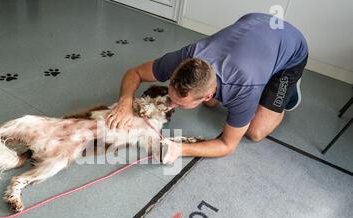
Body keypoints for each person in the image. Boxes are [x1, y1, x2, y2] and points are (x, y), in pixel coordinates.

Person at [105, 13, 308, 164]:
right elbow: (135, 73)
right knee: (211, 105)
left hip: (290, 50)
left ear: (208, 92)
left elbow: (227, 145)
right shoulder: (185, 58)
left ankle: (287, 89)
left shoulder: (243, 88)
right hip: (254, 21)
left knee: (255, 132)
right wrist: (125, 102)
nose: (169, 105)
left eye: (179, 104)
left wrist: (180, 149)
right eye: (171, 96)